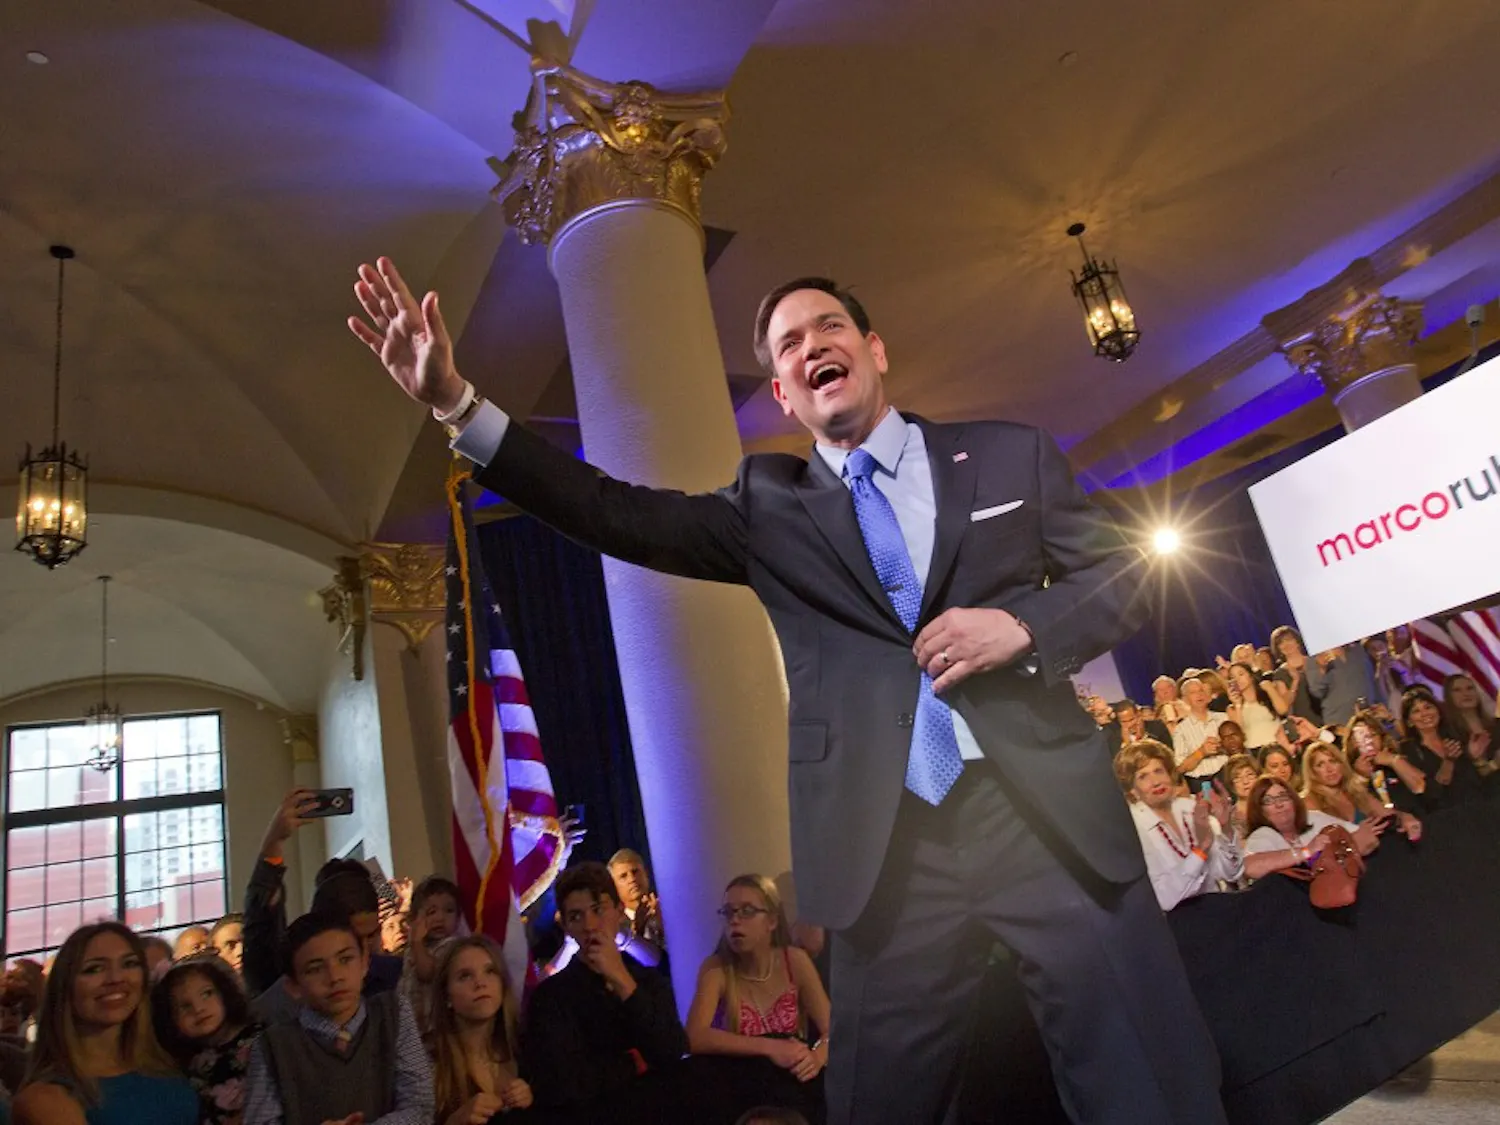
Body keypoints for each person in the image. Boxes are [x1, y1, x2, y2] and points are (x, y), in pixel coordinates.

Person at [350, 259, 1225, 1124]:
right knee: (878, 1102)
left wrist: (1026, 628)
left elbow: (1122, 577)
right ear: (782, 393)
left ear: (875, 349)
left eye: (829, 328)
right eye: (789, 345)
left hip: (1040, 818)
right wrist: (458, 405)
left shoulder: (1007, 454)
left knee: (1142, 1079)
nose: (813, 348)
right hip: (889, 850)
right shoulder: (770, 505)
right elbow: (612, 509)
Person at [523, 863, 687, 1117]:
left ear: (619, 911)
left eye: (597, 910)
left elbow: (670, 1052)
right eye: (576, 916)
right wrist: (633, 1063)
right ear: (565, 926)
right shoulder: (551, 997)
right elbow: (563, 1086)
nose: (590, 925)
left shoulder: (648, 980)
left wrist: (622, 980)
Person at [242, 913, 433, 1125]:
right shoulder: (273, 1047)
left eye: (345, 959)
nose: (335, 977)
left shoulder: (393, 1013)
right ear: (293, 987)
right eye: (315, 969)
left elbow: (420, 1105)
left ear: (364, 962)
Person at [12, 923, 198, 1125]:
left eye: (129, 964)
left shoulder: (164, 1061)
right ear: (65, 987)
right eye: (94, 969)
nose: (116, 978)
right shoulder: (45, 1098)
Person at [685, 875, 831, 1078]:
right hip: (738, 1085)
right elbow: (694, 1036)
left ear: (772, 921)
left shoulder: (794, 961)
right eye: (728, 912)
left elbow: (833, 1030)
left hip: (789, 1083)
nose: (735, 920)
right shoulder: (716, 969)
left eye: (747, 911)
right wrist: (770, 1046)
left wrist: (817, 1058)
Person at [1115, 741, 1243, 910]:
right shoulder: (1133, 829)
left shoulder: (1189, 809)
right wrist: (1201, 850)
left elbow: (1229, 873)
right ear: (1132, 791)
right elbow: (1165, 898)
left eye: (1158, 771)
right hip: (1177, 925)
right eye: (1143, 776)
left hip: (1218, 909)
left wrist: (1225, 828)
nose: (1155, 782)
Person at [427, 936, 533, 1124]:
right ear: (446, 996)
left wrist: (533, 1100)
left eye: (490, 971)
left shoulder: (525, 1046)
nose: (480, 983)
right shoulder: (428, 1063)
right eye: (465, 976)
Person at [151, 957, 259, 1125]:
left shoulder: (260, 1041)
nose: (198, 1009)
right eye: (185, 1006)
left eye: (207, 994)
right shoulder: (185, 1063)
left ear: (224, 993)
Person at [1242, 777, 1383, 881]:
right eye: (1268, 801)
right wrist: (1307, 851)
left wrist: (1327, 857)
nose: (1279, 804)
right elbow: (1251, 867)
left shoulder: (1314, 818)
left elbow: (1367, 840)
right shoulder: (1262, 835)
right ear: (1259, 809)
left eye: (1283, 797)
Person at [1300, 745, 1421, 841]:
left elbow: (1388, 815)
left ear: (1341, 764)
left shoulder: (1355, 792)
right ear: (1312, 772)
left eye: (1333, 761)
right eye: (1320, 764)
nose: (1329, 769)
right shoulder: (1308, 802)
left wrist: (1404, 817)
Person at [401, 875, 465, 1037]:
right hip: (413, 1029)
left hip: (438, 1030)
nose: (440, 918)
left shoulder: (452, 947)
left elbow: (427, 973)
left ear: (458, 918)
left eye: (449, 910)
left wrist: (416, 941)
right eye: (431, 912)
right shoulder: (413, 950)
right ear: (415, 919)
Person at [1344, 709, 1427, 815]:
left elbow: (1421, 788)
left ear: (1382, 737)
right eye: (1361, 737)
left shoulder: (1402, 753)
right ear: (1352, 743)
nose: (1369, 741)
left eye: (1373, 735)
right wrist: (1362, 778)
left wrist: (1393, 761)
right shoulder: (1348, 772)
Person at [608, 849, 667, 955]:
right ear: (613, 886)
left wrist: (666, 923)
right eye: (623, 876)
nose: (632, 879)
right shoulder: (614, 926)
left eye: (635, 872)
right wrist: (637, 929)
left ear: (646, 874)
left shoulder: (668, 909)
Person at [1171, 678, 1230, 781]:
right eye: (1193, 692)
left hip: (1228, 777)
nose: (1199, 695)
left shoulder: (1224, 718)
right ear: (1185, 699)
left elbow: (1239, 748)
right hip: (1202, 784)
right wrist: (1201, 752)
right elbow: (1181, 768)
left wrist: (1221, 747)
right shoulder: (1181, 730)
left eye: (1201, 690)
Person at [1225, 662, 1279, 749]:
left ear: (1251, 676)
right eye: (1233, 677)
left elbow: (1283, 710)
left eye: (1241, 674)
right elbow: (1239, 733)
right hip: (1253, 750)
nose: (1237, 679)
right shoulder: (1232, 708)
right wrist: (1237, 704)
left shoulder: (1266, 694)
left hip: (1277, 745)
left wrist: (1270, 689)